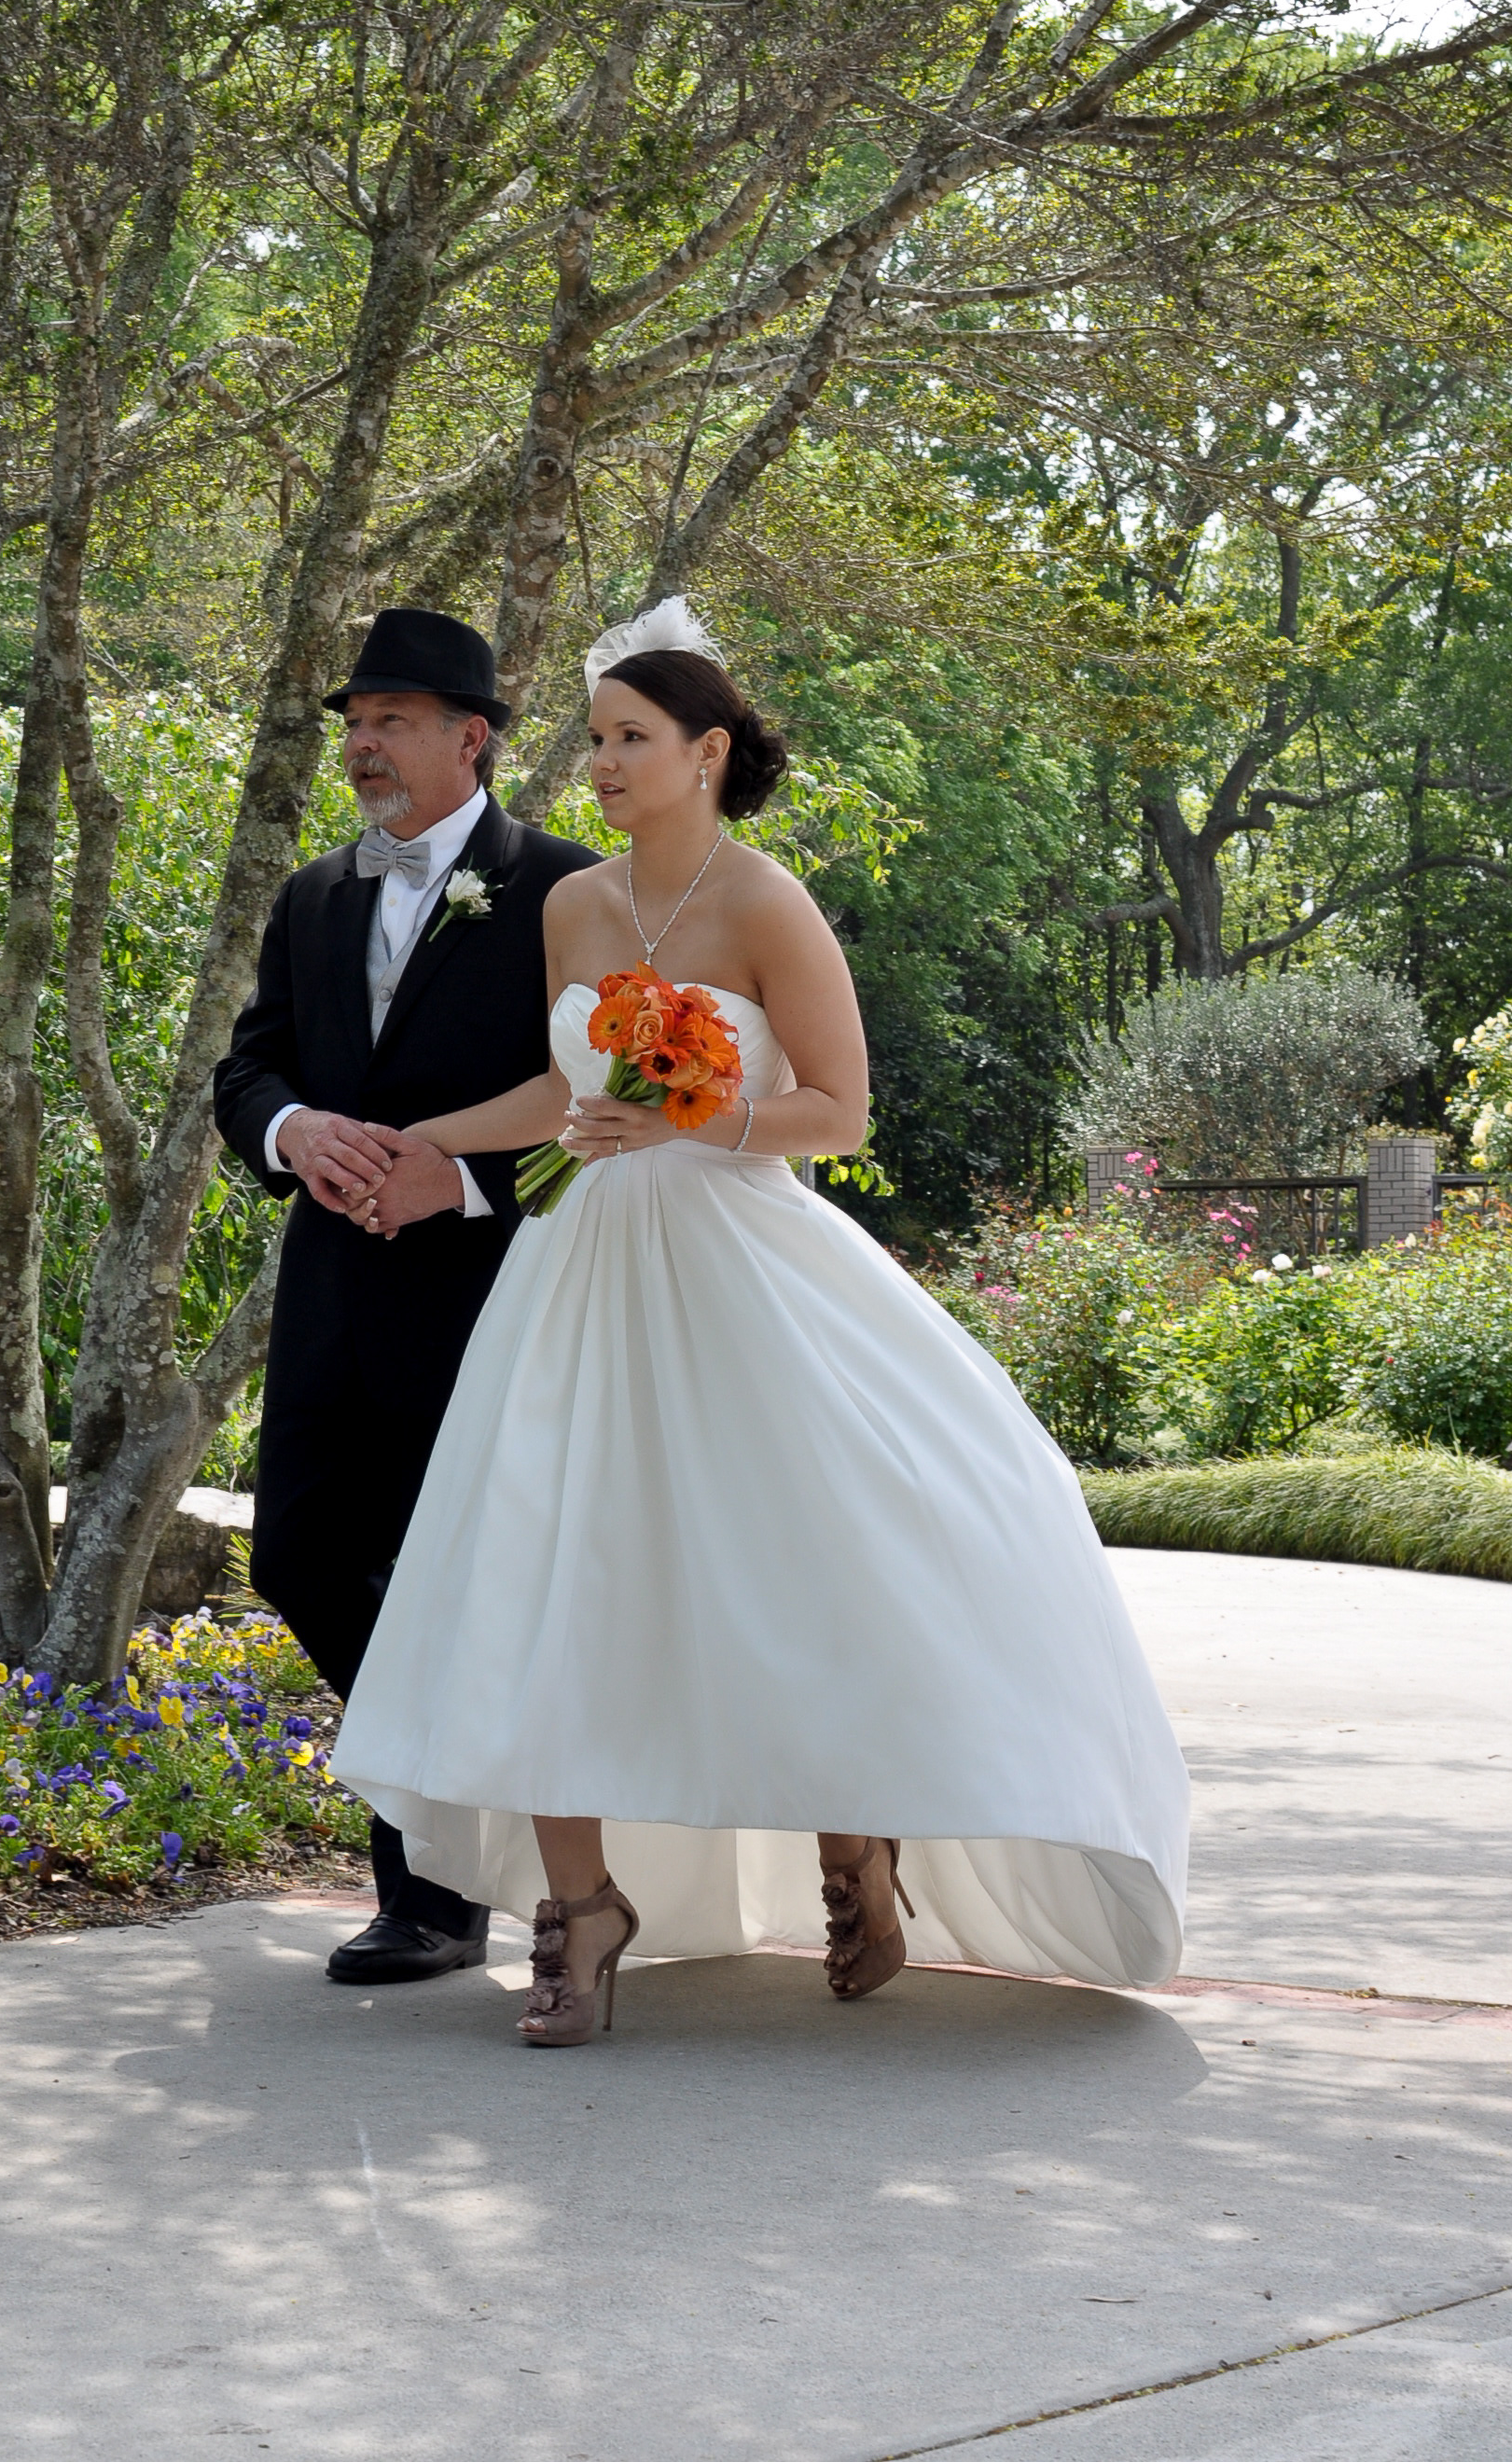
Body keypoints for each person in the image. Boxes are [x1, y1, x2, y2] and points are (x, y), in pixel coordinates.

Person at [330, 600, 1190, 2044]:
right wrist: (420, 1137)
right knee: (553, 1571)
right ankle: (581, 1912)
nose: (598, 763)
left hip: (743, 1262)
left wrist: (693, 1106)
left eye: (628, 738)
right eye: (594, 738)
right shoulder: (574, 905)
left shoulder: (765, 901)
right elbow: (560, 1099)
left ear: (706, 751)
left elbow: (836, 1113)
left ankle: (856, 1832)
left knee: (808, 1558)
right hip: (582, 1267)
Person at [211, 607, 596, 1983]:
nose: (362, 745)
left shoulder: (569, 890)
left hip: (494, 1300)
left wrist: (473, 1188)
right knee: (300, 1560)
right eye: (354, 722)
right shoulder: (315, 894)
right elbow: (247, 1069)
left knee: (470, 1582)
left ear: (471, 735)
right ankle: (446, 1829)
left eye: (391, 719)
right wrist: (293, 1130)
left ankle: (431, 1900)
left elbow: (612, 1107)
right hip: (328, 1295)